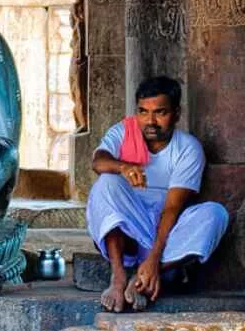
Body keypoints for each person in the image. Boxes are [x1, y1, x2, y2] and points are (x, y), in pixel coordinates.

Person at [87, 76, 228, 312]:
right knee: (106, 182)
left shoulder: (188, 148)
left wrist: (153, 259)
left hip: (167, 232)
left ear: (176, 113)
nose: (150, 121)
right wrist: (123, 167)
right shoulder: (124, 132)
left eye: (160, 112)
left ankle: (144, 275)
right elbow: (98, 161)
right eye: (143, 112)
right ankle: (119, 277)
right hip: (130, 231)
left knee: (216, 214)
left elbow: (172, 208)